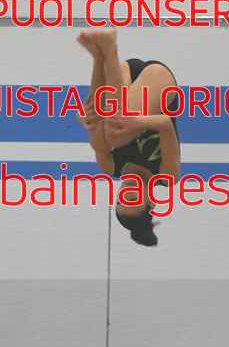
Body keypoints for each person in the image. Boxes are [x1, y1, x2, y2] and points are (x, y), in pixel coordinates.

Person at [77, 29, 181, 246]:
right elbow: (165, 124)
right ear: (151, 201)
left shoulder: (110, 166)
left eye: (121, 198)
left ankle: (100, 56)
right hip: (157, 82)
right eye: (133, 197)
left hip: (123, 77)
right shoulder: (166, 175)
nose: (127, 190)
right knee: (115, 133)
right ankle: (108, 50)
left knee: (102, 125)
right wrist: (138, 123)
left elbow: (97, 120)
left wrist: (88, 120)